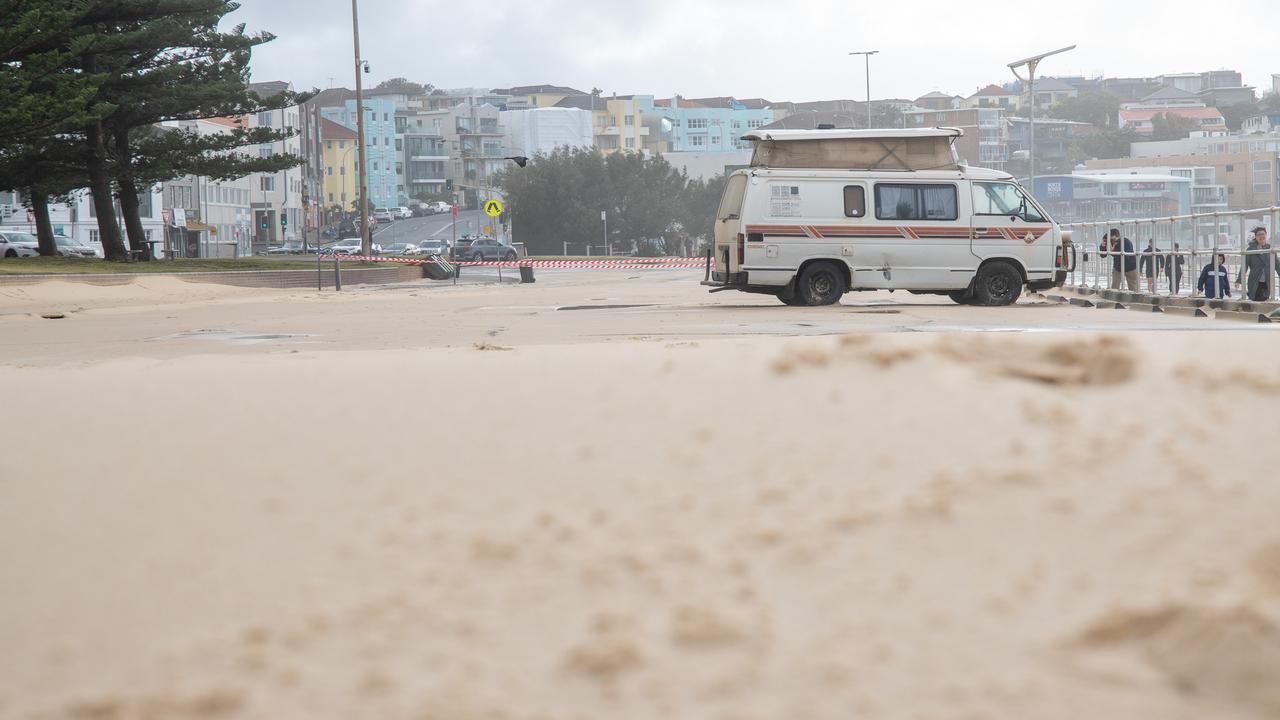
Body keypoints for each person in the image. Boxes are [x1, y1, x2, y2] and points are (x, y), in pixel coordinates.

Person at [1243, 227, 1276, 302]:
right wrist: (1239, 279)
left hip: (1267, 281)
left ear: (1266, 235)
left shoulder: (1270, 248)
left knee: (1264, 299)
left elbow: (1276, 264)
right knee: (1256, 299)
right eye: (1259, 234)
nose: (1261, 236)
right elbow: (1245, 265)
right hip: (1255, 281)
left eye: (1263, 234)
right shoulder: (1250, 249)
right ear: (1256, 237)